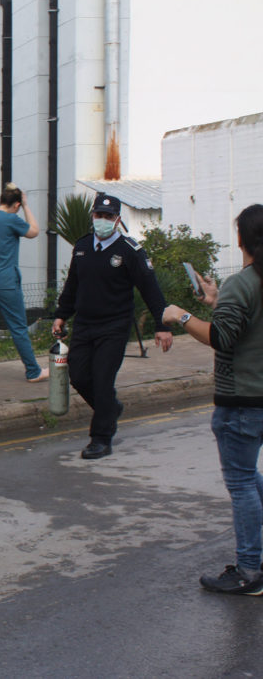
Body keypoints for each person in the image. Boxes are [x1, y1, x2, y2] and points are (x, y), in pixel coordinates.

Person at [161, 204, 263, 595]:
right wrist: (216, 301)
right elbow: (241, 323)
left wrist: (181, 316)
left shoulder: (244, 282)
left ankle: (250, 570)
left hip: (240, 399)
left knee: (240, 482)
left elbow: (222, 338)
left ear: (242, 239)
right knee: (249, 475)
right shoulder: (243, 287)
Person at [51, 192, 173, 460]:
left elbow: (150, 288)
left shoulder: (130, 251)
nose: (102, 221)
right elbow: (73, 284)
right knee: (80, 376)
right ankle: (110, 409)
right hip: (84, 324)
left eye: (108, 216)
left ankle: (101, 439)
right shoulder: (82, 247)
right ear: (92, 216)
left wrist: (162, 325)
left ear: (117, 220)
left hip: (114, 326)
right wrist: (61, 314)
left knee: (103, 380)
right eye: (98, 215)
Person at [0, 184, 49, 383]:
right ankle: (33, 371)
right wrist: (27, 207)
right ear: (16, 205)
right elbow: (34, 231)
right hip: (5, 282)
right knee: (18, 327)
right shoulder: (12, 219)